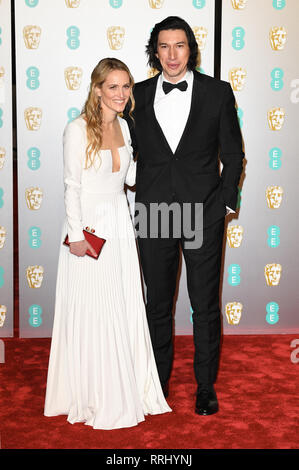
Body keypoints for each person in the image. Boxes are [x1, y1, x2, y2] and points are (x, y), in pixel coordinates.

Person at [124, 17, 244, 415]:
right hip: (154, 212)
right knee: (156, 303)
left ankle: (205, 386)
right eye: (163, 46)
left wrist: (224, 205)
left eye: (179, 46)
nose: (172, 55)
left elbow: (233, 154)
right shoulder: (136, 95)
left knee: (204, 305)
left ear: (191, 49)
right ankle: (157, 382)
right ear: (154, 52)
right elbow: (124, 152)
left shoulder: (217, 92)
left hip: (202, 213)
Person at [44, 58, 171, 430]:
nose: (120, 93)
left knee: (123, 303)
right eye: (113, 86)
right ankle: (95, 393)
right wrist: (78, 236)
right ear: (97, 88)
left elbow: (130, 179)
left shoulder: (128, 128)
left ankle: (128, 385)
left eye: (126, 86)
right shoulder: (77, 129)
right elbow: (72, 186)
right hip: (89, 229)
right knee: (94, 310)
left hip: (119, 223)